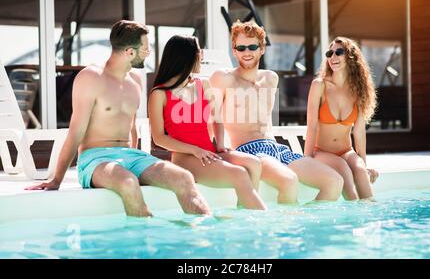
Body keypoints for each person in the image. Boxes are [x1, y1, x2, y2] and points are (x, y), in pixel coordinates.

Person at [26, 20, 211, 217]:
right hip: (96, 158)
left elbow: (131, 128)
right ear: (130, 52)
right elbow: (76, 132)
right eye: (145, 50)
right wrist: (56, 179)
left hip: (130, 156)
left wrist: (138, 162)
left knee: (183, 178)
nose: (148, 54)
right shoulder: (90, 78)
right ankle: (144, 240)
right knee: (128, 183)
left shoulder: (136, 81)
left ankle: (204, 235)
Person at [210, 20, 344, 204]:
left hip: (277, 148)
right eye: (241, 47)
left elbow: (267, 120)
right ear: (234, 50)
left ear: (262, 48)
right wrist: (215, 149)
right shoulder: (223, 78)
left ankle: (307, 227)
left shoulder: (270, 78)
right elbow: (212, 118)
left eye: (252, 46)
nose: (246, 52)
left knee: (334, 181)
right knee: (289, 181)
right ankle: (287, 233)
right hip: (249, 151)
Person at [148, 35, 266, 210]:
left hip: (209, 152)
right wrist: (195, 150)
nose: (201, 56)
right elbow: (159, 138)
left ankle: (245, 214)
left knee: (254, 164)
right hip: (185, 158)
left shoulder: (203, 84)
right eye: (199, 52)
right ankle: (258, 221)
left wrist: (220, 144)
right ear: (186, 56)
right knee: (239, 174)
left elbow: (217, 117)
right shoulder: (159, 94)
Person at [304, 36, 379, 200]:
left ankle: (371, 219)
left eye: (339, 52)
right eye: (330, 53)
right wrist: (307, 159)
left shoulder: (358, 91)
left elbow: (359, 132)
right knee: (344, 170)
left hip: (347, 151)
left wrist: (364, 164)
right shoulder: (319, 85)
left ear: (351, 57)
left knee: (359, 171)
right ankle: (353, 221)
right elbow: (312, 126)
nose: (333, 57)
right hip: (322, 152)